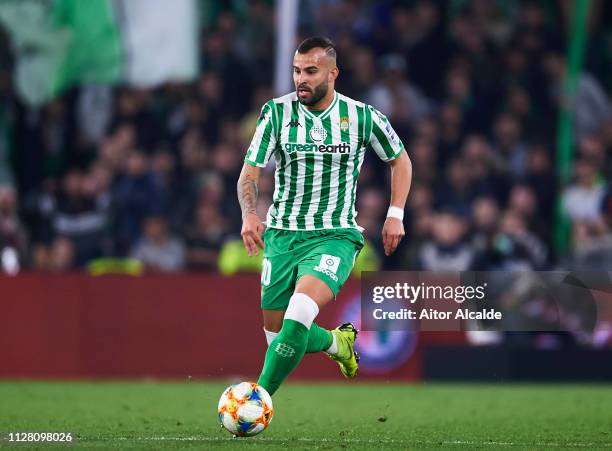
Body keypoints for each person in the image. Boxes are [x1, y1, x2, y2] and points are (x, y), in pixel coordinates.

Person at [237, 37, 412, 396]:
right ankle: (337, 344)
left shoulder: (363, 117)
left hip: (334, 236)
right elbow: (250, 171)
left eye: (311, 71)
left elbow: (400, 159)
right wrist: (250, 214)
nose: (301, 78)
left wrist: (395, 213)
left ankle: (258, 400)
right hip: (282, 236)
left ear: (333, 73)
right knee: (278, 338)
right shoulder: (276, 113)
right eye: (297, 71)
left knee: (299, 312)